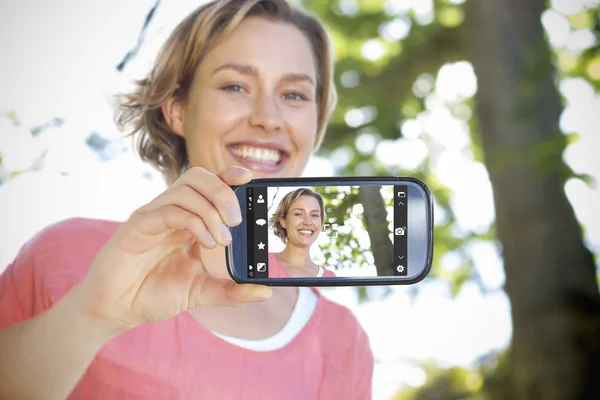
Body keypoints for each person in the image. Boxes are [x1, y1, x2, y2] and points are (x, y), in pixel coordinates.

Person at [0, 0, 374, 399]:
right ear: (177, 109)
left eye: (295, 95)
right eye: (235, 86)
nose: (268, 117)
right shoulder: (65, 255)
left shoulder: (341, 342)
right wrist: (95, 311)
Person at [268, 188, 336, 278]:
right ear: (283, 221)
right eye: (298, 214)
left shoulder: (329, 277)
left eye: (314, 215)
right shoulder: (261, 263)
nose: (308, 222)